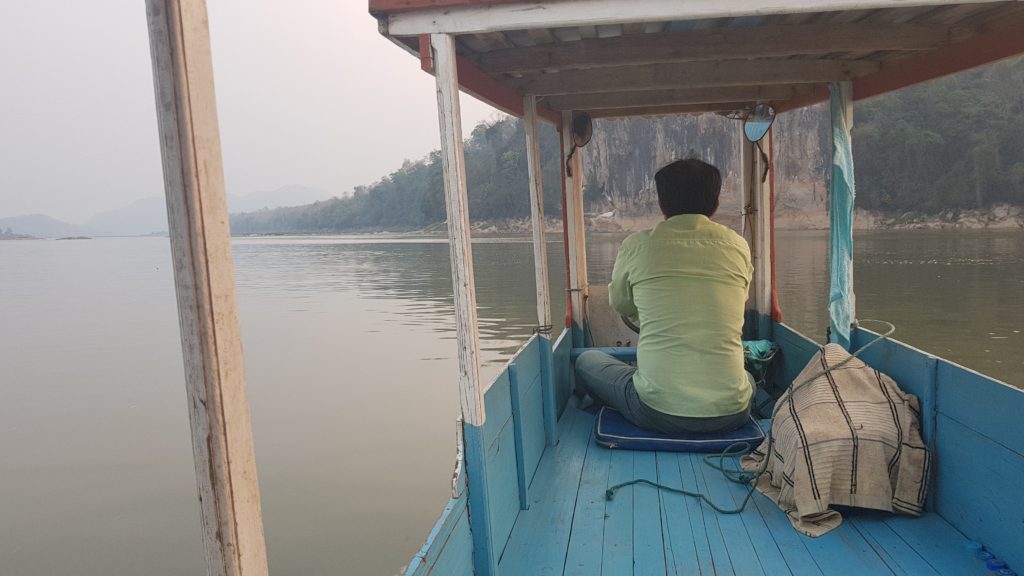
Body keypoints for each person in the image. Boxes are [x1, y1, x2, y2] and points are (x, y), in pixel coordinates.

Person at [575, 158, 754, 434]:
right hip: (733, 411)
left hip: (655, 411)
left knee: (587, 361)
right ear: (716, 204)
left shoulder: (637, 246)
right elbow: (739, 301)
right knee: (748, 379)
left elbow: (620, 303)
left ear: (661, 204)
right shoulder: (738, 246)